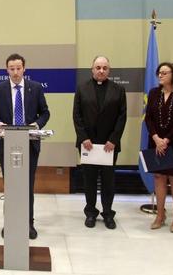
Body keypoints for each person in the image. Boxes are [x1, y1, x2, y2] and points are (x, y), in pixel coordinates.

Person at [0, 53, 50, 239]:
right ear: (7, 70)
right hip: (6, 144)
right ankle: (11, 223)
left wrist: (36, 125)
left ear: (24, 68)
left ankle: (28, 223)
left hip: (29, 145)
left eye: (18, 68)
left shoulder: (36, 88)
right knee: (11, 186)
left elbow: (45, 113)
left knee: (27, 185)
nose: (15, 72)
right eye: (11, 69)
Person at [73, 55, 127, 230]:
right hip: (88, 144)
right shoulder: (82, 89)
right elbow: (77, 115)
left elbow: (122, 117)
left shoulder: (119, 90)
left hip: (108, 146)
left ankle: (108, 213)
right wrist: (84, 138)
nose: (101, 71)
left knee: (108, 182)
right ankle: (90, 213)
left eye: (104, 68)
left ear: (109, 70)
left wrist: (113, 139)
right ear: (92, 69)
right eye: (98, 67)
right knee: (89, 181)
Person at [144, 62, 173, 233]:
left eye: (164, 72)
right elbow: (148, 118)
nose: (160, 75)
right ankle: (160, 214)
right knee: (159, 177)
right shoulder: (154, 93)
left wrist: (166, 140)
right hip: (155, 142)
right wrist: (156, 138)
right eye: (159, 73)